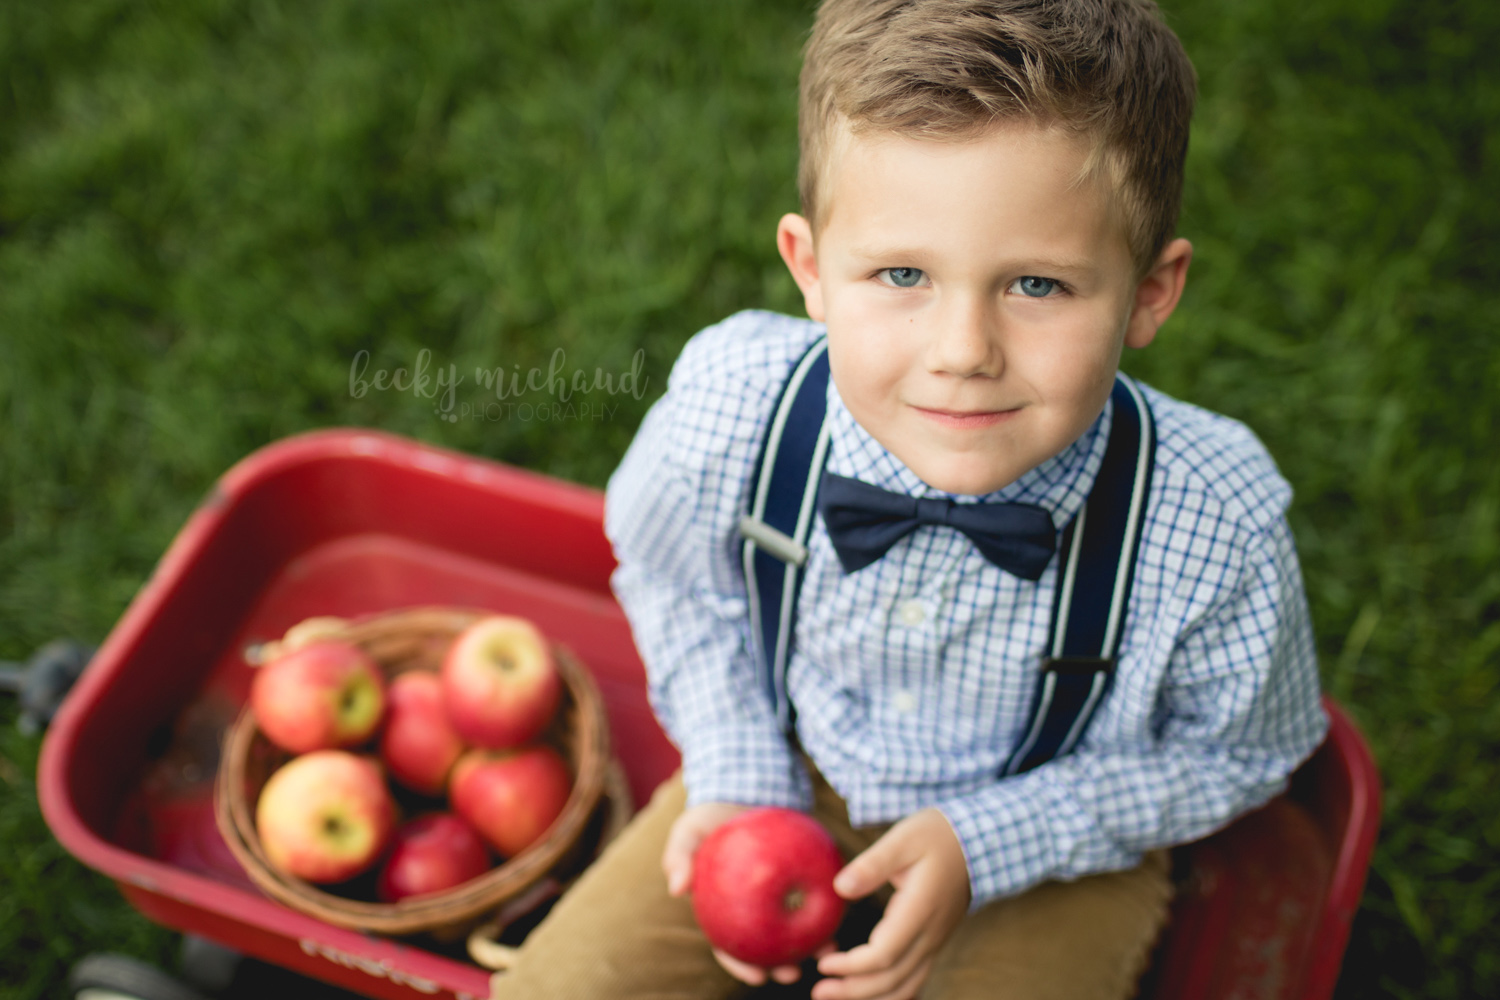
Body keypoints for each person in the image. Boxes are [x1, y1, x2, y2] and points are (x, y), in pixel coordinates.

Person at [487, 2, 1328, 998]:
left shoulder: (1211, 526)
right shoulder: (735, 409)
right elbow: (679, 586)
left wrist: (990, 841)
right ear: (810, 268)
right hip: (791, 766)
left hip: (1059, 840)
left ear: (1150, 288)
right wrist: (741, 768)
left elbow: (1241, 753)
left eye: (1039, 286)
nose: (962, 350)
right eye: (901, 274)